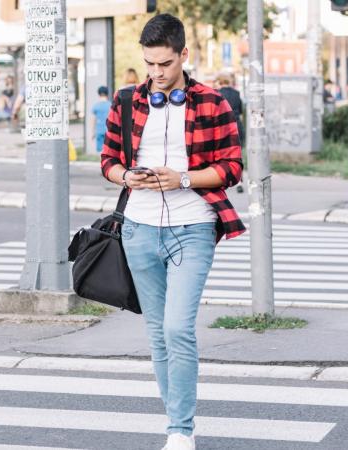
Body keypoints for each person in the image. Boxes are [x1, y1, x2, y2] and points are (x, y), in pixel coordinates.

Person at [99, 13, 245, 450]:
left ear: (184, 55)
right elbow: (107, 161)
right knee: (158, 334)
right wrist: (127, 176)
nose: (157, 74)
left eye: (165, 64)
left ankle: (180, 431)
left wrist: (182, 178)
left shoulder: (212, 102)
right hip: (139, 230)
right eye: (149, 64)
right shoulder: (126, 102)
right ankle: (178, 422)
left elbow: (232, 167)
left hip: (193, 226)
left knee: (179, 329)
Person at [217, 74, 244, 147]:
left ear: (220, 82)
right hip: (236, 126)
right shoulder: (236, 93)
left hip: (223, 127)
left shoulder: (216, 93)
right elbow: (240, 111)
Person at [91, 86, 112, 152]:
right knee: (109, 151)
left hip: (99, 131)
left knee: (100, 151)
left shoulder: (96, 106)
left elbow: (93, 120)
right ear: (107, 94)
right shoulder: (111, 105)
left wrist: (92, 132)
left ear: (98, 94)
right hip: (109, 131)